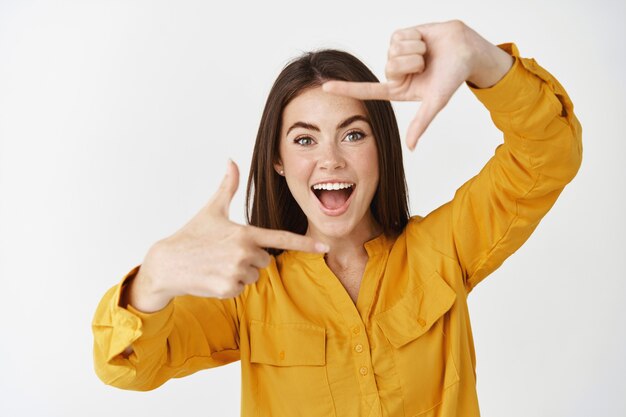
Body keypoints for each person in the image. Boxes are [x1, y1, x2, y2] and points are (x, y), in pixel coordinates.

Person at [92, 20, 582, 417]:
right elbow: (127, 367)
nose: (330, 160)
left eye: (353, 135)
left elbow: (549, 152)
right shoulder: (248, 290)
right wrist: (153, 278)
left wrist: (480, 58)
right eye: (305, 139)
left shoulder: (442, 249)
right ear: (278, 161)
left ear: (381, 150)